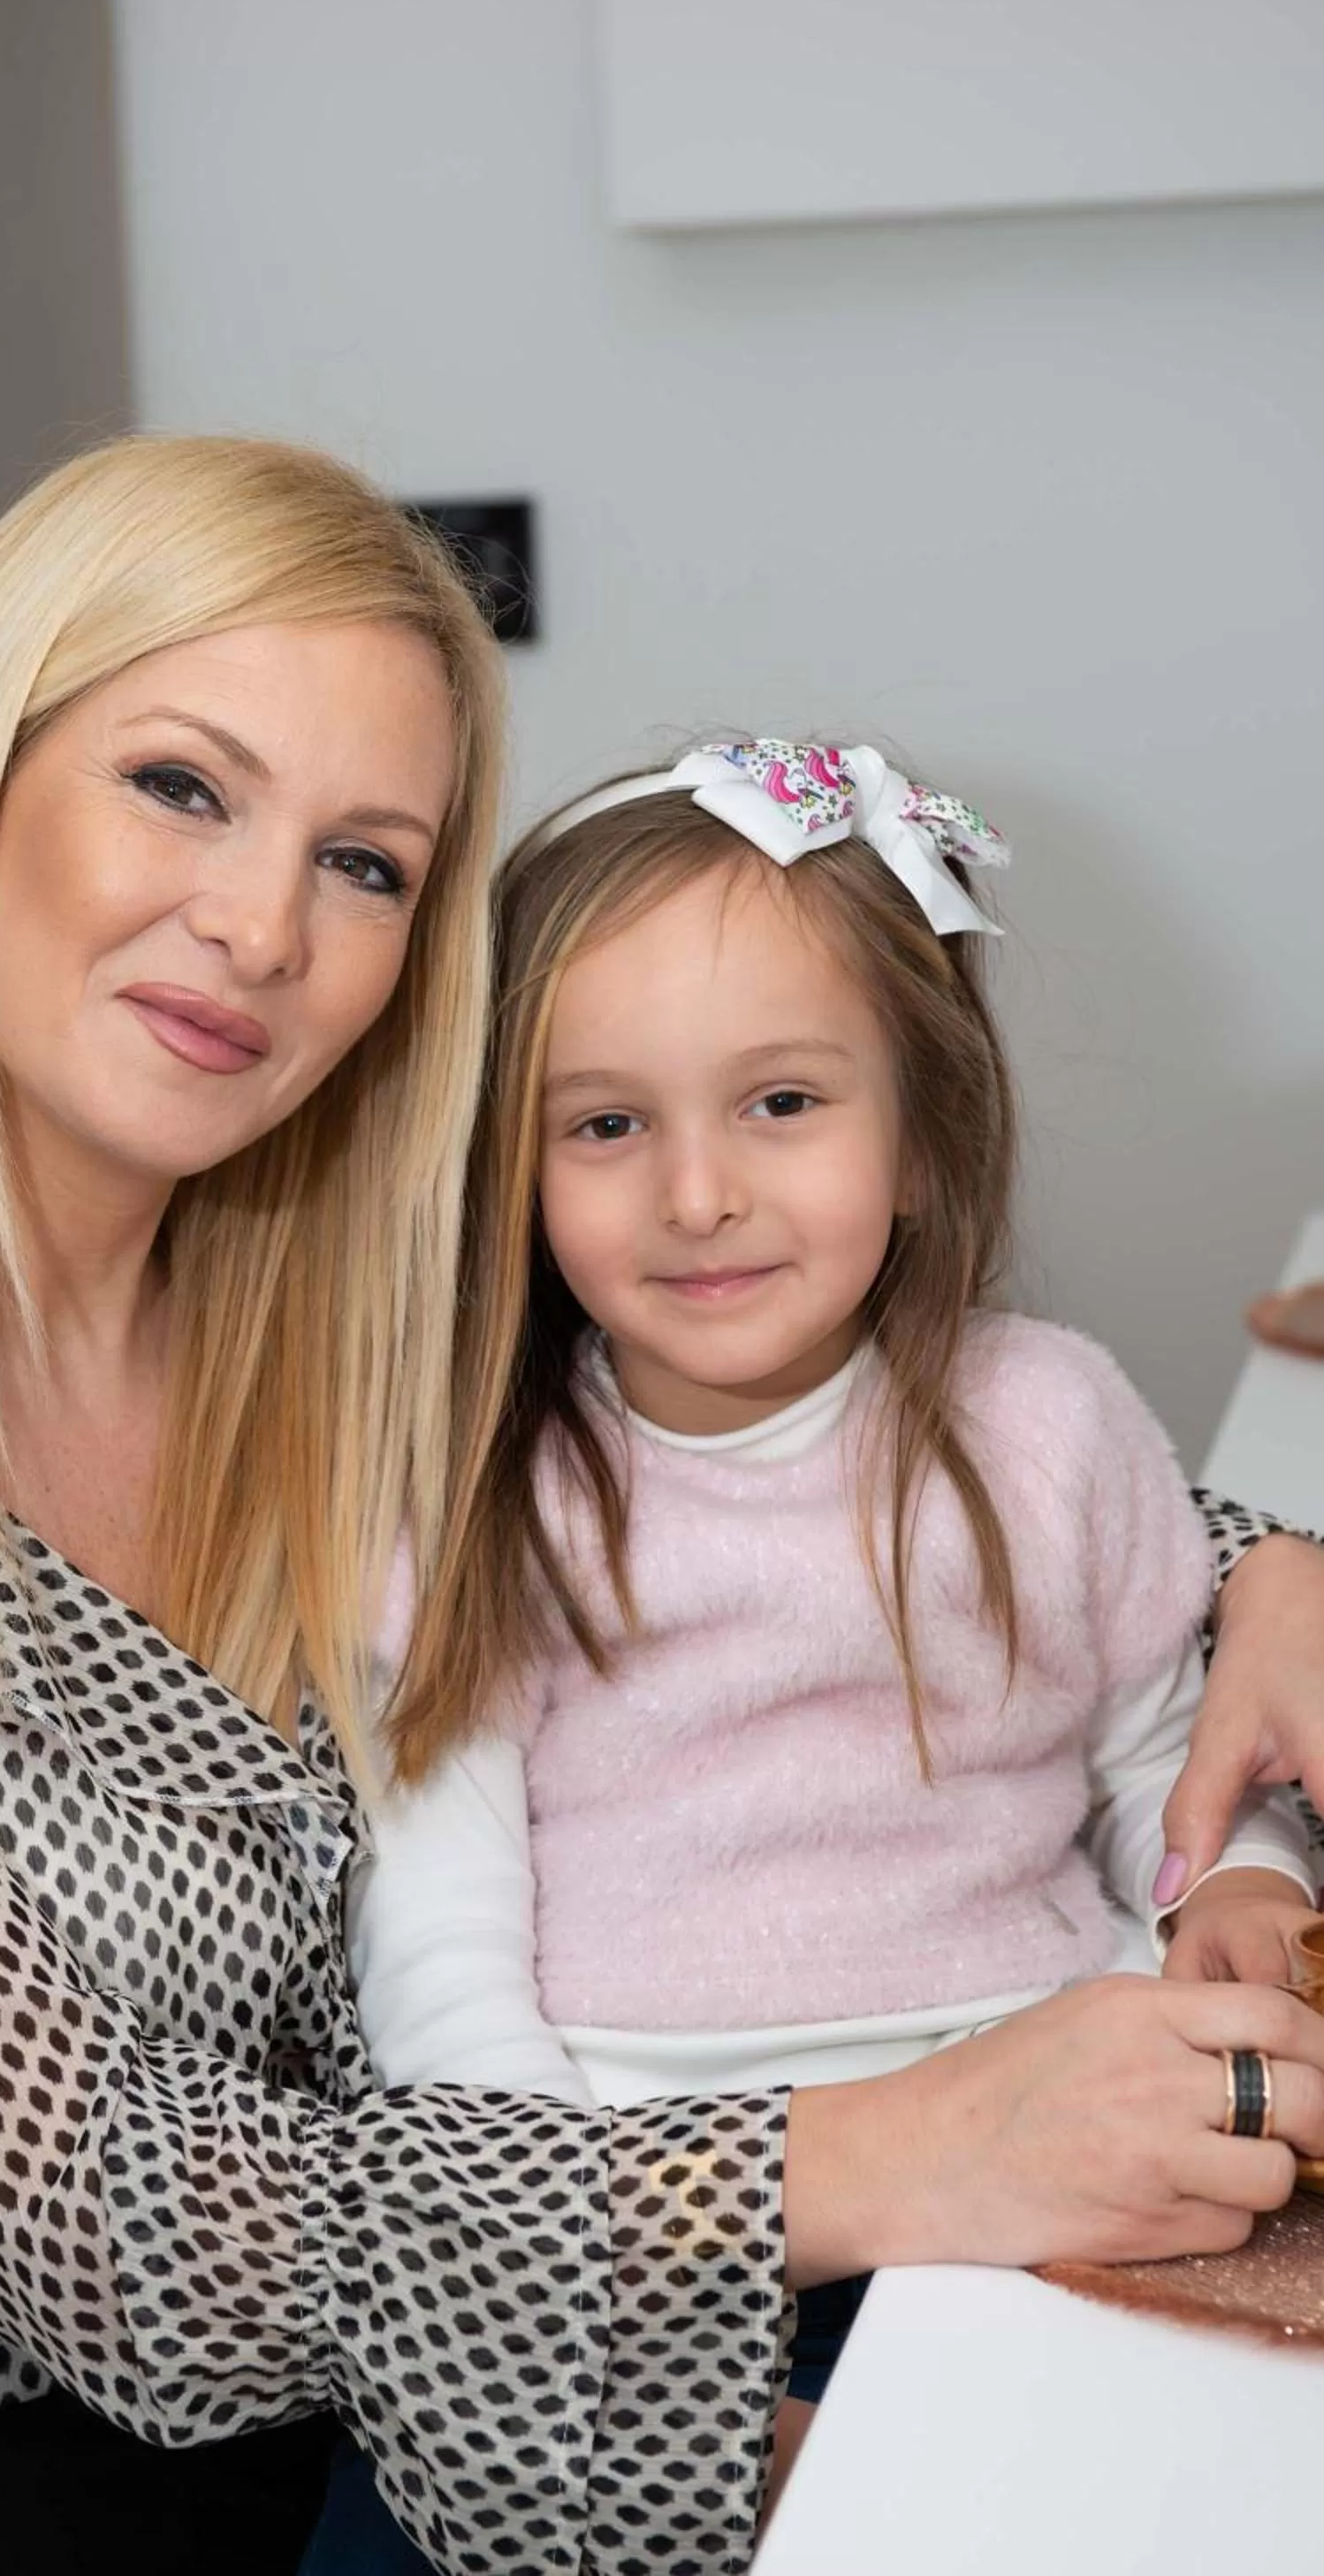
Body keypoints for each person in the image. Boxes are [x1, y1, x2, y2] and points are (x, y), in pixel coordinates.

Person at [0, 450, 1324, 2576]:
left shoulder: (332, 1306)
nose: (260, 929)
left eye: (364, 865)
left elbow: (835, 1486)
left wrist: (1262, 1570)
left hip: (511, 2413)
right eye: (181, 787)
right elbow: (120, 2238)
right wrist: (881, 2149)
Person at [317, 740, 1322, 2567]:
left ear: (923, 1136)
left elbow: (1153, 1757)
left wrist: (1239, 1882)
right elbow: (437, 1943)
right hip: (659, 2212)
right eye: (603, 1125)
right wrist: (566, 2261)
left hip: (1054, 2160)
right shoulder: (467, 1489)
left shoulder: (1048, 1421)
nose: (695, 1192)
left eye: (778, 1102)